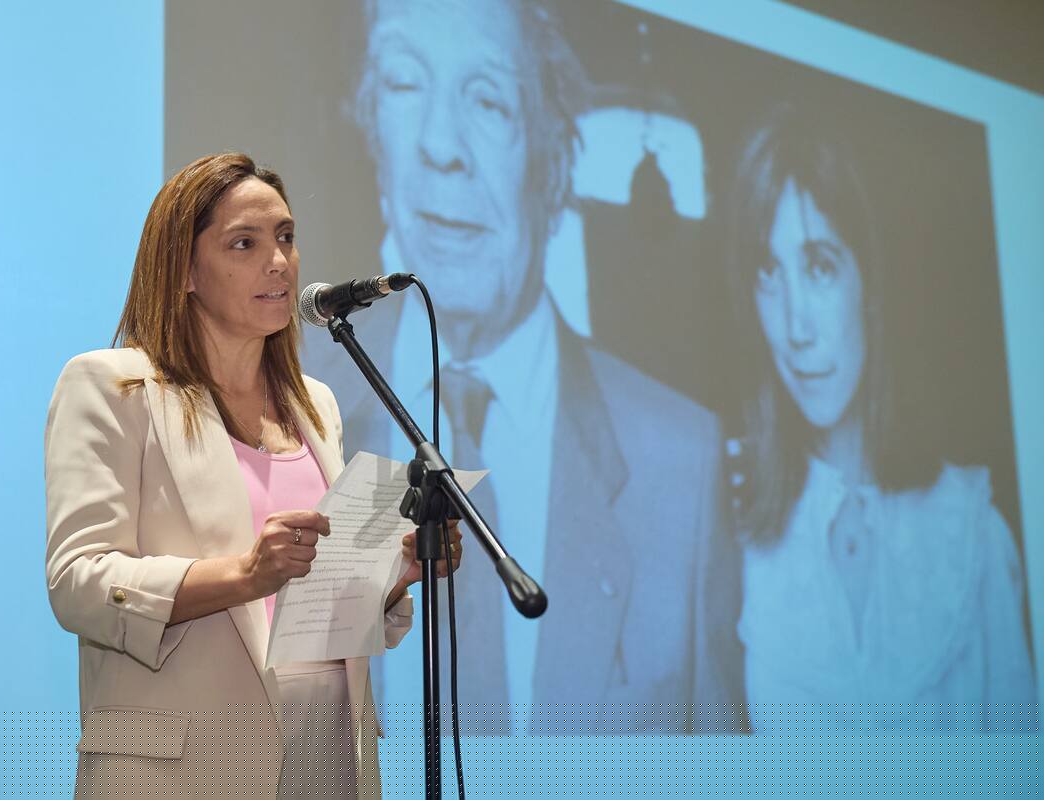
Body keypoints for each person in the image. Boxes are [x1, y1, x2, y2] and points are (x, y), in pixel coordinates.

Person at [303, 0, 745, 734]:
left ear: (552, 159)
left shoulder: (680, 461)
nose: (441, 145)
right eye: (406, 86)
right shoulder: (295, 415)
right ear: (373, 132)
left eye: (488, 99)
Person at [44, 153, 462, 798]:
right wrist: (246, 573)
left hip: (326, 755)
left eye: (286, 238)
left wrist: (390, 575)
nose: (279, 261)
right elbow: (78, 583)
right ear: (183, 268)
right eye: (245, 242)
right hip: (183, 769)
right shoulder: (113, 387)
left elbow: (309, 607)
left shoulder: (315, 405)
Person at [724, 105, 1037, 732]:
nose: (795, 328)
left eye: (819, 267)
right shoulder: (734, 545)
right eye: (768, 272)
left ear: (870, 284)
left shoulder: (974, 534)